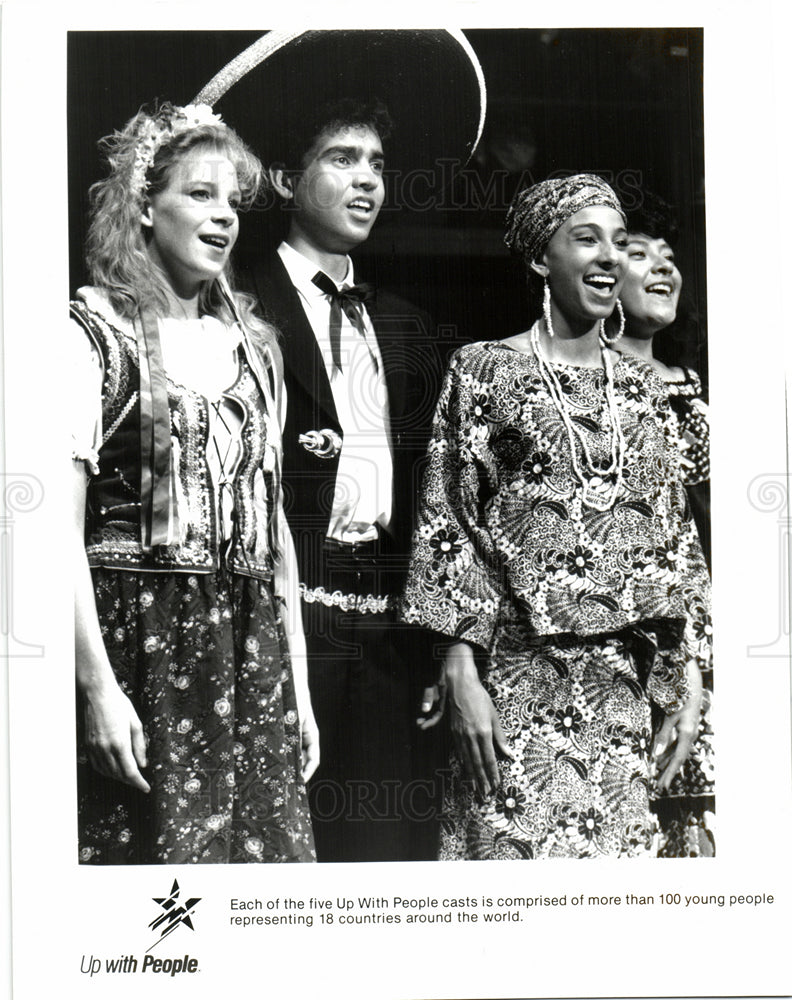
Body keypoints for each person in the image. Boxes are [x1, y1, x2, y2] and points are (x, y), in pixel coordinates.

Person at [190, 28, 487, 862]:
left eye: (379, 165)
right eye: (342, 158)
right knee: (288, 856)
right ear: (286, 178)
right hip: (287, 622)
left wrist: (438, 646)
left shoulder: (405, 324)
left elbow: (440, 500)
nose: (366, 180)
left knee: (391, 852)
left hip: (393, 640)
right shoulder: (231, 303)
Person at [401, 174, 712, 859]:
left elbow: (674, 542)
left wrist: (685, 686)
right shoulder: (483, 370)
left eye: (618, 242)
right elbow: (449, 526)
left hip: (622, 692)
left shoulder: (640, 389)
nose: (607, 257)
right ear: (542, 258)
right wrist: (458, 669)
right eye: (586, 239)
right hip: (513, 683)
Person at [70, 102, 317, 864]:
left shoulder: (253, 346)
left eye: (233, 202)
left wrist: (300, 690)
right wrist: (96, 690)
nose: (223, 218)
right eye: (199, 195)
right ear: (145, 204)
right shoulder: (90, 333)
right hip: (137, 644)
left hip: (249, 654)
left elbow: (274, 537)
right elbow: (51, 532)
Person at [617, 192, 714, 855]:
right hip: (616, 635)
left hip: (699, 636)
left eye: (669, 256)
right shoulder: (571, 382)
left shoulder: (694, 392)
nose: (662, 267)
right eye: (639, 252)